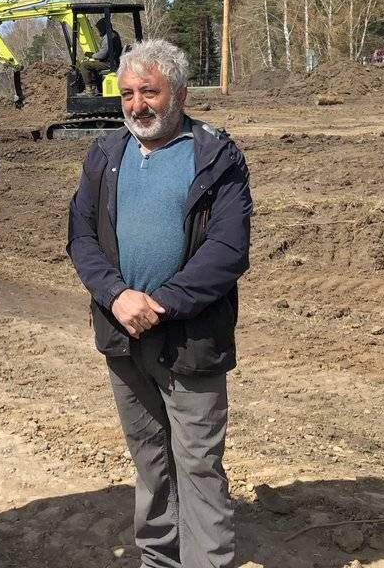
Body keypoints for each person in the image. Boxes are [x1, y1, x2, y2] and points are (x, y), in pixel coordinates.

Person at [66, 40, 251, 568]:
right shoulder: (104, 154)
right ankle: (158, 559)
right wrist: (116, 294)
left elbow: (227, 251)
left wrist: (163, 304)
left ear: (181, 94)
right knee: (150, 459)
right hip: (122, 332)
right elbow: (81, 235)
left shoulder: (216, 156)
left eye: (150, 91)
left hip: (191, 338)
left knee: (198, 463)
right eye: (127, 93)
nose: (137, 105)